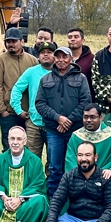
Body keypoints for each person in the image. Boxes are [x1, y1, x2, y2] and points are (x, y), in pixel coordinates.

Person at [15, 141, 111, 222]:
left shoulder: (105, 177)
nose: (83, 159)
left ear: (95, 157)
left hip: (96, 220)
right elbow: (57, 199)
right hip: (72, 219)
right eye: (80, 155)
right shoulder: (69, 176)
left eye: (88, 155)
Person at [36, 46, 91, 198]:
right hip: (53, 131)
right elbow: (40, 103)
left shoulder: (81, 78)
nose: (61, 60)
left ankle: (75, 199)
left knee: (75, 165)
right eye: (58, 57)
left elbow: (85, 102)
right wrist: (58, 118)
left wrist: (69, 120)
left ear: (71, 59)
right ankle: (53, 201)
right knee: (54, 167)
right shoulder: (45, 79)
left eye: (64, 57)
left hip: (75, 131)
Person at [0, 127, 48, 222]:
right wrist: (5, 199)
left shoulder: (35, 161)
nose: (15, 142)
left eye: (19, 139)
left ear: (25, 141)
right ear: (8, 140)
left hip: (25, 204)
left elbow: (38, 184)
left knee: (40, 201)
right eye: (12, 139)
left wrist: (20, 199)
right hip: (4, 203)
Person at [0, 27, 38, 151]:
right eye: (8, 41)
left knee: (28, 147)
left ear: (22, 41)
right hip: (9, 113)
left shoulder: (33, 60)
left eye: (14, 41)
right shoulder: (0, 60)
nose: (10, 44)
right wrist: (2, 111)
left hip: (29, 113)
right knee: (9, 148)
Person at [11, 41, 55, 160]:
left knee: (53, 160)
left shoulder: (60, 73)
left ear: (55, 55)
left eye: (49, 52)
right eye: (42, 53)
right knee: (31, 159)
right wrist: (18, 110)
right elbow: (16, 89)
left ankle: (50, 179)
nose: (46, 55)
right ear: (38, 56)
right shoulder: (31, 72)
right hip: (34, 123)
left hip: (55, 124)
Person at [65, 104, 111, 173]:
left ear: (100, 117)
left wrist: (99, 175)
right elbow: (70, 161)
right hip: (80, 178)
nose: (88, 120)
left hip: (105, 177)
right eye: (85, 117)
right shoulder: (76, 136)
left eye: (92, 117)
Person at [68, 27, 96, 101]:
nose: (72, 39)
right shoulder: (62, 59)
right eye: (70, 37)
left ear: (83, 40)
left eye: (76, 37)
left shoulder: (92, 59)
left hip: (86, 102)